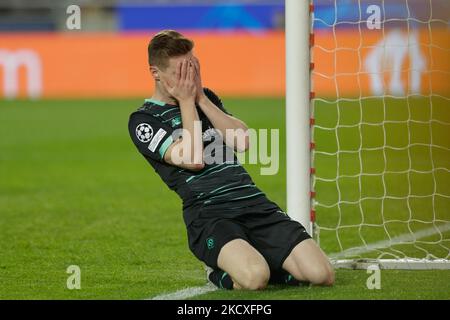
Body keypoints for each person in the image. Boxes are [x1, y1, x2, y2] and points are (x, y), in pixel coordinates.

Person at [128, 30, 334, 290]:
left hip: (253, 203)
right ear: (155, 72)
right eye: (180, 72)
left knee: (321, 274)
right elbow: (193, 160)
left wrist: (200, 97)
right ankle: (218, 272)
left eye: (193, 68)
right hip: (211, 214)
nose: (188, 79)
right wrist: (186, 101)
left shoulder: (207, 98)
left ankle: (261, 260)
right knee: (255, 278)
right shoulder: (144, 121)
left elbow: (243, 142)